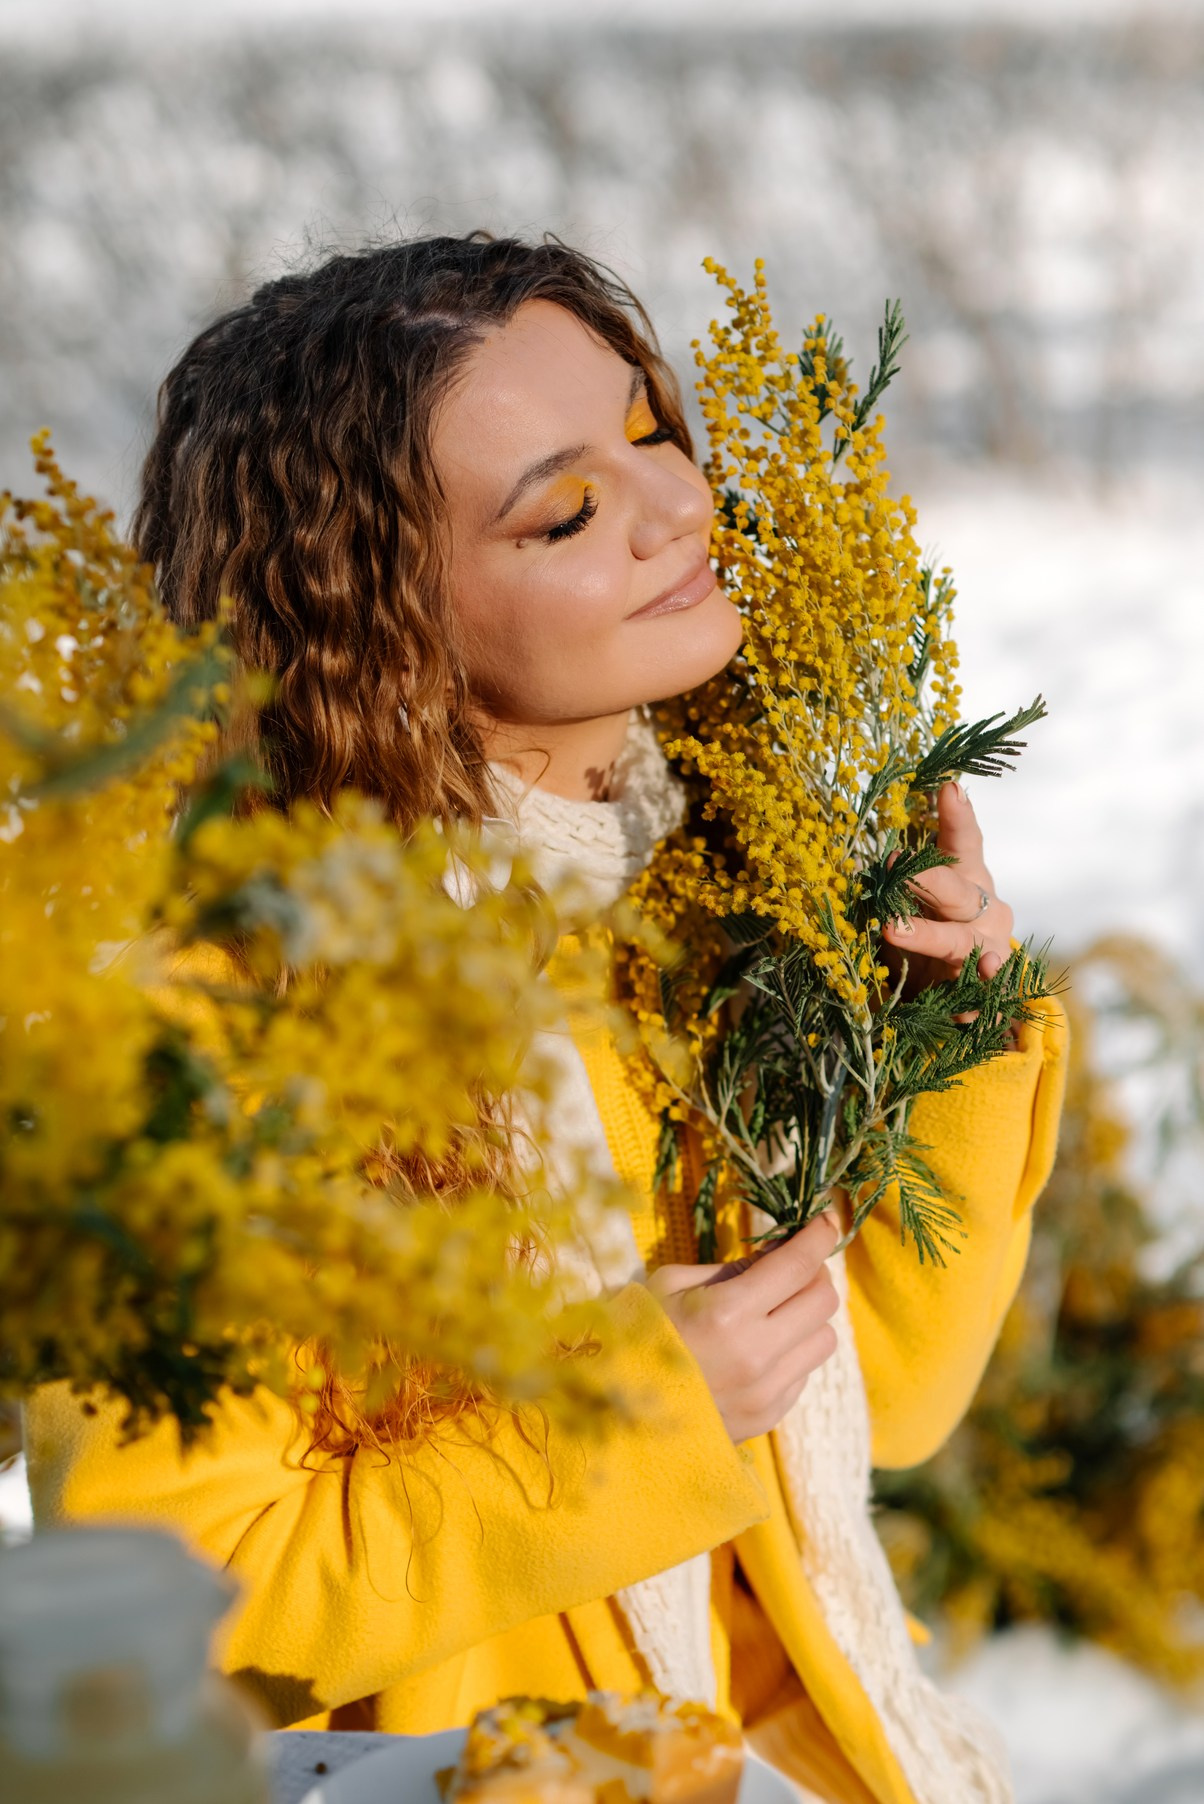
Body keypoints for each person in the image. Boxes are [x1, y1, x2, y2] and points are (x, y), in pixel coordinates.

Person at [26, 235, 1067, 1804]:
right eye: (567, 509)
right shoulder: (224, 1037)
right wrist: (626, 1413)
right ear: (375, 616)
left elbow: (887, 1406)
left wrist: (949, 1047)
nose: (677, 506)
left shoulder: (716, 890)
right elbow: (183, 1621)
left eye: (653, 429)